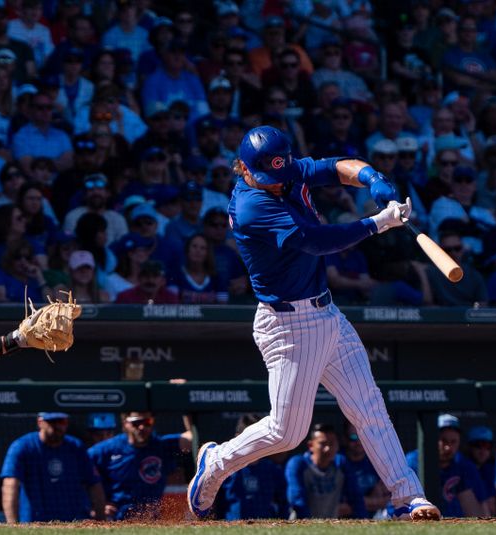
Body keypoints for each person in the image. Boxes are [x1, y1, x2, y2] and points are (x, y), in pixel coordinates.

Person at [186, 125, 441, 521]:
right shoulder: (252, 205)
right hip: (288, 326)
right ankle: (216, 461)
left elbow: (338, 167)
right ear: (245, 169)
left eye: (281, 172)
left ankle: (408, 497)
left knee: (368, 406)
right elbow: (316, 241)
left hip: (326, 314)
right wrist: (378, 223)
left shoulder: (285, 170)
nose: (277, 183)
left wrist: (374, 178)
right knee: (287, 433)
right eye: (267, 176)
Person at [0, 411, 106, 523]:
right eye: (52, 422)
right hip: (35, 523)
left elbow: (94, 484)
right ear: (40, 422)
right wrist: (12, 524)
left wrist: (101, 521)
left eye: (62, 422)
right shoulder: (22, 446)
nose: (58, 426)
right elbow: (10, 485)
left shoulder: (76, 447)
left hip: (74, 522)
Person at [88, 411, 193, 520]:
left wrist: (187, 408)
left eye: (147, 422)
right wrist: (97, 506)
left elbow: (193, 438)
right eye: (136, 422)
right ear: (125, 423)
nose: (142, 427)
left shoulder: (160, 445)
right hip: (116, 519)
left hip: (150, 520)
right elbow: (81, 478)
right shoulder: (104, 450)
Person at [406, 414, 487, 518]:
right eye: (443, 441)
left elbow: (478, 507)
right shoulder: (413, 461)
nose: (448, 447)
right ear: (432, 438)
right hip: (415, 519)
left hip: (453, 523)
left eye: (453, 442)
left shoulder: (462, 464)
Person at [285, 423, 366, 519]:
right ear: (311, 445)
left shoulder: (341, 463)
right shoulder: (298, 464)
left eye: (332, 443)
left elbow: (356, 498)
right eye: (322, 444)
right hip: (300, 525)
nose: (328, 449)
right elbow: (297, 499)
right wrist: (309, 525)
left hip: (331, 526)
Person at [215, 414, 289, 520]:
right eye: (249, 438)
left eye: (258, 438)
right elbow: (215, 505)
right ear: (237, 438)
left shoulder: (272, 469)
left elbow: (284, 502)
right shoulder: (225, 469)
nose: (254, 443)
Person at [465, 426, 496, 516]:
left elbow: (492, 505)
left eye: (487, 446)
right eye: (478, 446)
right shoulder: (463, 468)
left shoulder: (491, 469)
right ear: (470, 447)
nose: (483, 451)